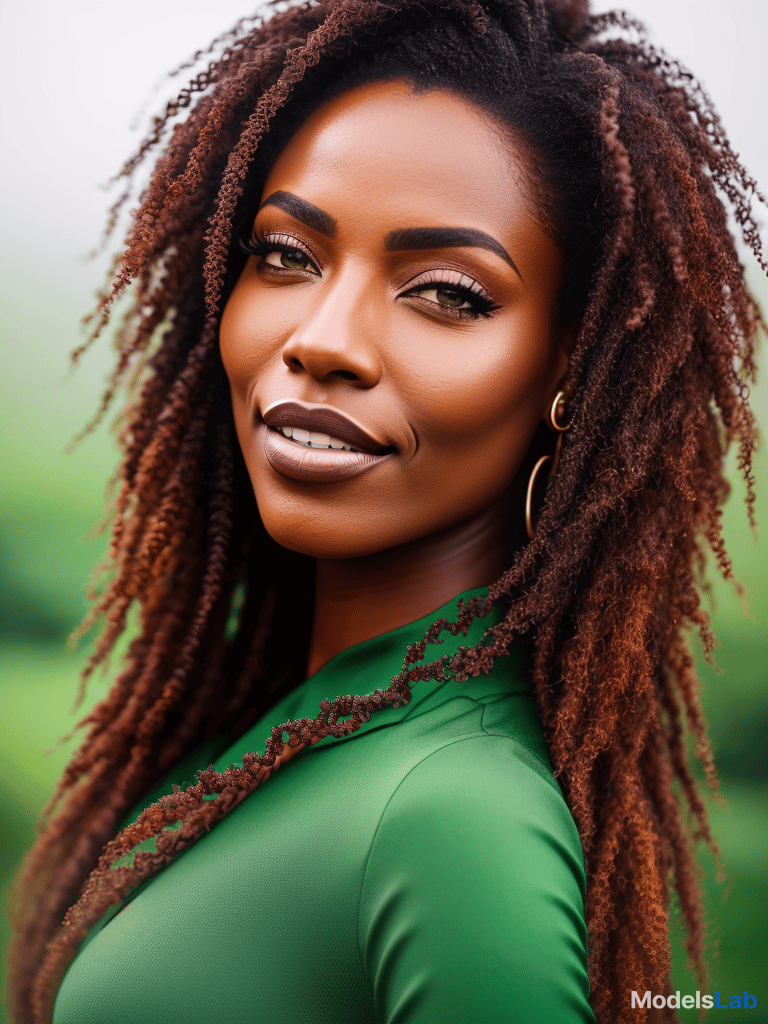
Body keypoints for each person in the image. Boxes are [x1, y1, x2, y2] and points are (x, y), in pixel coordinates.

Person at [8, 0, 764, 1021]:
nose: (324, 338)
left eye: (448, 293)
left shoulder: (453, 818)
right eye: (287, 255)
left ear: (574, 371)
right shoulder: (298, 720)